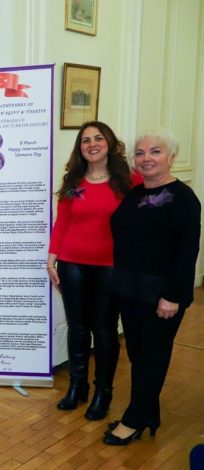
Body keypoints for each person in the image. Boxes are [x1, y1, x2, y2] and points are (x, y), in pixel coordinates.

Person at [103, 129, 200, 445]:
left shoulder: (184, 199)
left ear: (171, 157)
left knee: (152, 357)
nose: (146, 158)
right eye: (141, 153)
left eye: (155, 151)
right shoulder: (135, 193)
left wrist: (172, 296)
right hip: (130, 288)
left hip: (163, 294)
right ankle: (149, 412)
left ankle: (134, 419)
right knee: (138, 354)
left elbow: (187, 252)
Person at [47, 121, 141, 421]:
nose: (92, 144)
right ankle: (77, 386)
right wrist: (52, 258)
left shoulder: (129, 180)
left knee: (103, 330)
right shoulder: (73, 181)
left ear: (110, 143)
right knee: (77, 327)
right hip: (72, 263)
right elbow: (62, 222)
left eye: (98, 138)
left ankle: (103, 391)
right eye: (85, 140)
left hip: (111, 267)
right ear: (80, 148)